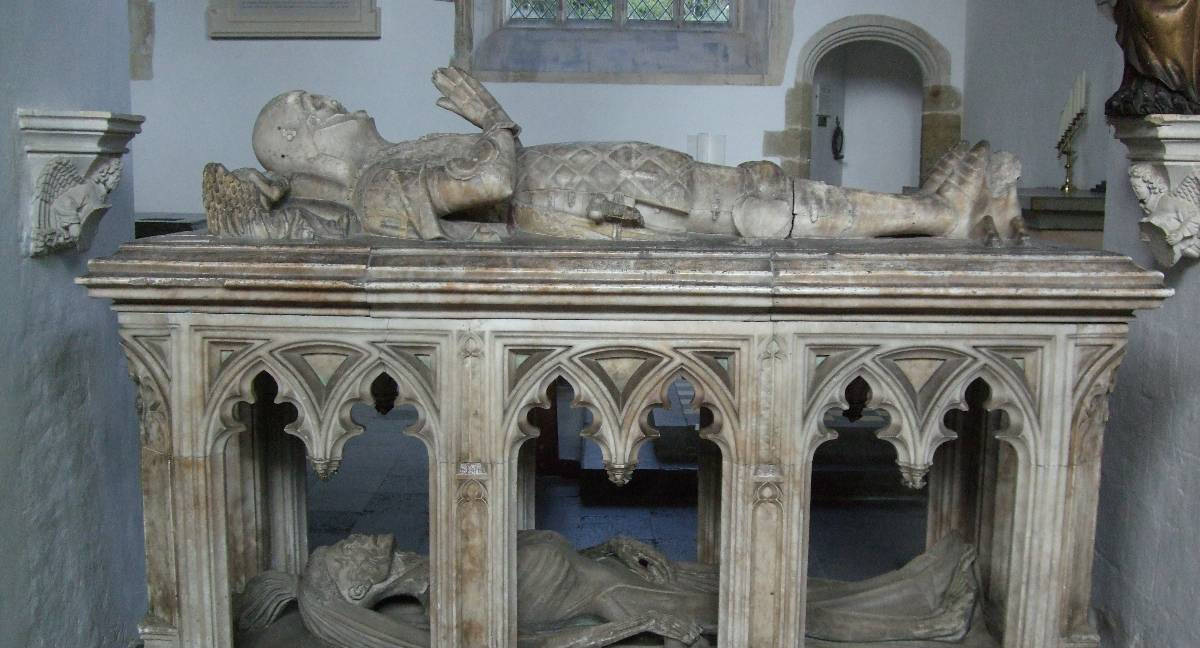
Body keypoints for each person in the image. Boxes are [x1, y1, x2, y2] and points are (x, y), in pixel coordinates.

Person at [204, 68, 1027, 245]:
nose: (329, 100)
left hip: (598, 176)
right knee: (757, 206)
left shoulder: (395, 160)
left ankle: (929, 210)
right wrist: (488, 110)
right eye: (309, 112)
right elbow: (492, 181)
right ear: (299, 154)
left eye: (319, 95)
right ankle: (934, 215)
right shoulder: (382, 182)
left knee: (753, 192)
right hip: (586, 203)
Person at [240, 529, 979, 648]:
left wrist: (618, 540)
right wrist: (639, 628)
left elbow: (552, 558)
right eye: (347, 553)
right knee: (778, 618)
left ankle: (908, 590)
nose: (361, 535)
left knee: (782, 591)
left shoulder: (452, 543)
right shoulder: (450, 608)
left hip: (621, 574)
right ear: (363, 588)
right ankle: (924, 621)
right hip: (623, 607)